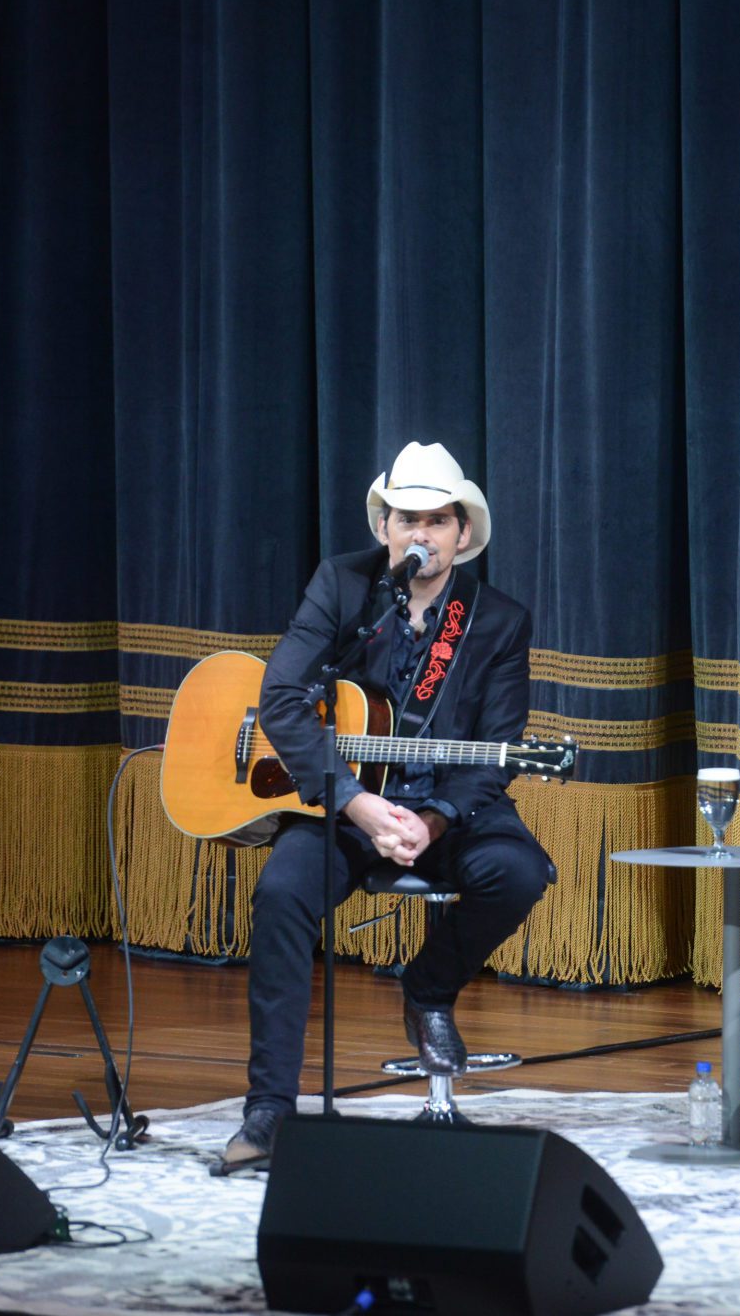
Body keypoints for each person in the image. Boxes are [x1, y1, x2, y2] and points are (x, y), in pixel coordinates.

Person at [217, 442, 554, 1173]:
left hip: (444, 809)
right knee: (280, 893)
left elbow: (498, 750)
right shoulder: (342, 586)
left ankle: (427, 986)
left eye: (438, 520)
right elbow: (281, 696)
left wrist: (430, 821)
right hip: (346, 804)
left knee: (520, 872)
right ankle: (270, 1107)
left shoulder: (498, 620)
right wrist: (357, 804)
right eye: (408, 519)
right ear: (385, 526)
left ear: (463, 533)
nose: (421, 535)